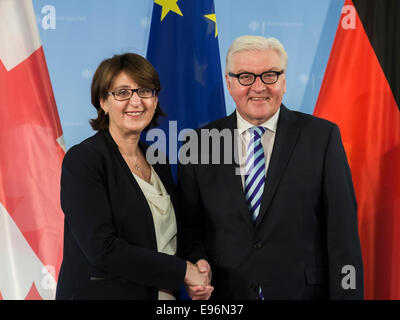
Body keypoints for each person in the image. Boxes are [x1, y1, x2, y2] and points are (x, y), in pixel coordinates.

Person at [178, 36, 364, 299]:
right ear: (229, 83)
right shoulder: (198, 144)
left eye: (269, 75)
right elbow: (189, 229)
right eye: (245, 77)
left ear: (284, 81)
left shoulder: (321, 137)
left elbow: (342, 235)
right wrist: (198, 262)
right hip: (227, 296)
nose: (258, 87)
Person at [56, 53, 212, 300]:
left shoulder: (157, 159)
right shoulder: (84, 160)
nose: (136, 101)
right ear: (103, 102)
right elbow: (102, 249)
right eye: (122, 92)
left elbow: (171, 234)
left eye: (145, 91)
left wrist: (197, 262)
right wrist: (183, 271)